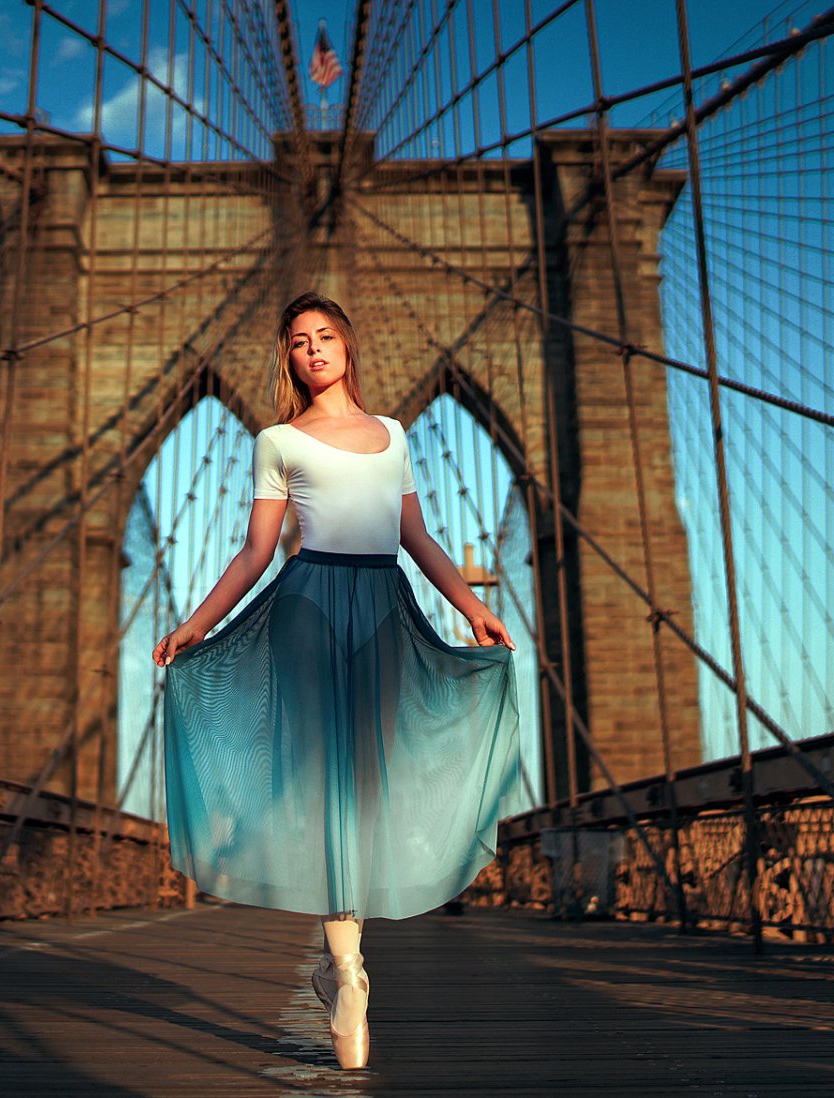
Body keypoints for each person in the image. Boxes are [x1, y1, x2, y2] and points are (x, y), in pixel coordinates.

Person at [153, 290, 528, 1070]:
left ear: (349, 348)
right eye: (297, 341)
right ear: (287, 358)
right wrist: (196, 624)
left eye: (325, 336)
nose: (313, 349)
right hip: (309, 604)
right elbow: (258, 553)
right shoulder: (277, 440)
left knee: (364, 785)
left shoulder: (393, 436)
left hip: (384, 602)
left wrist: (468, 608)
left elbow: (415, 535)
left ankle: (339, 961)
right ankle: (350, 971)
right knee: (328, 785)